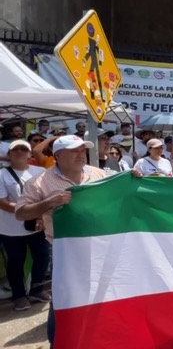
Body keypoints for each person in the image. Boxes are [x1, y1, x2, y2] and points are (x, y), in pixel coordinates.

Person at [15, 135, 108, 347]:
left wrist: (134, 177)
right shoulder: (39, 182)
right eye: (74, 150)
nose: (80, 154)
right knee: (63, 300)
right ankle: (58, 341)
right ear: (57, 155)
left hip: (98, 248)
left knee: (97, 296)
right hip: (65, 252)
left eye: (82, 150)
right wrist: (49, 202)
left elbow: (119, 193)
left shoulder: (97, 174)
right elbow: (21, 213)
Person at [0, 140, 49, 311]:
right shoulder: (2, 175)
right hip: (11, 229)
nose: (20, 152)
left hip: (37, 225)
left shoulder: (41, 172)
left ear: (29, 154)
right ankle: (19, 296)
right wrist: (30, 210)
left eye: (24, 149)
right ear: (9, 154)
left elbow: (46, 196)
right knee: (15, 262)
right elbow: (3, 203)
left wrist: (38, 213)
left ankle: (37, 289)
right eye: (15, 149)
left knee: (43, 257)